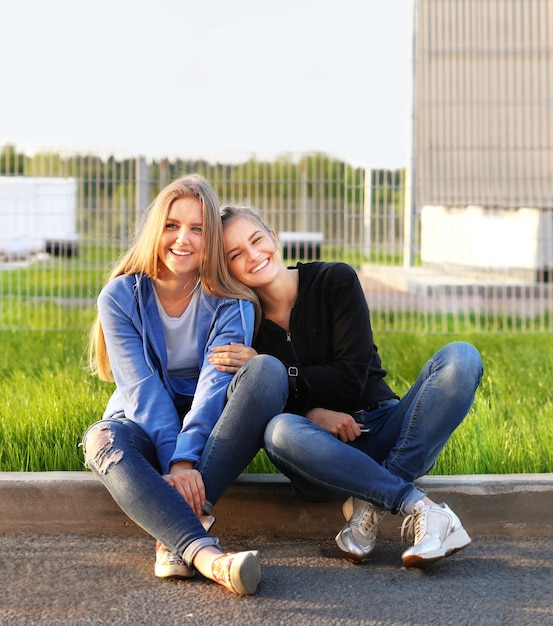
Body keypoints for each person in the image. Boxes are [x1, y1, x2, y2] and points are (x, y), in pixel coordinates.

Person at [210, 205, 483, 569]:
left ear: (273, 238)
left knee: (461, 358)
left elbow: (351, 378)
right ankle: (415, 504)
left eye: (257, 240)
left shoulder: (334, 281)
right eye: (235, 254)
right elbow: (258, 407)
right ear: (226, 268)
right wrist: (311, 413)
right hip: (318, 458)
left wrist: (288, 377)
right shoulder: (244, 322)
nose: (254, 255)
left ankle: (374, 506)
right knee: (278, 430)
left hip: (384, 427)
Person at [81, 177, 288, 596]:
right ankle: (208, 557)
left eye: (198, 229)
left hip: (209, 424)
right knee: (100, 440)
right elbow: (142, 389)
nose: (183, 239)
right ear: (155, 228)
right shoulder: (120, 296)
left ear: (210, 238)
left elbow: (215, 387)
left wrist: (186, 459)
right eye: (172, 225)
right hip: (140, 417)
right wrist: (176, 462)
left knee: (267, 372)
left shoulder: (234, 301)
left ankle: (173, 538)